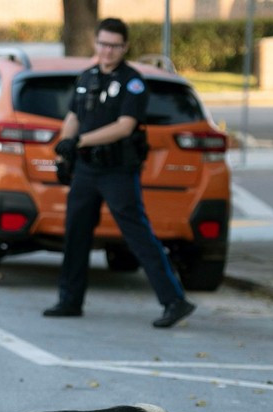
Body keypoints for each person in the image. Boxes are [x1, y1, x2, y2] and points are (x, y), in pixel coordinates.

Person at [44, 17, 196, 328]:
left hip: (117, 171)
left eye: (114, 46)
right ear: (95, 44)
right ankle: (69, 300)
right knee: (76, 233)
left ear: (124, 47)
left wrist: (80, 141)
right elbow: (73, 115)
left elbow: (124, 127)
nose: (107, 51)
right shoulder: (87, 77)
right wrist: (64, 149)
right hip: (86, 169)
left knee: (137, 235)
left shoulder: (133, 82)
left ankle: (174, 300)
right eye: (103, 44)